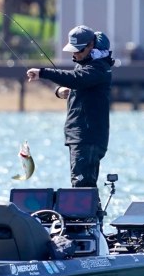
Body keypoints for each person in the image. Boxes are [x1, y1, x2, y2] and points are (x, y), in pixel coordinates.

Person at [26, 25, 112, 188]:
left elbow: (76, 79)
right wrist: (59, 91)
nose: (75, 54)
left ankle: (88, 206)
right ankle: (91, 205)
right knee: (82, 185)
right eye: (73, 50)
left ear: (91, 45)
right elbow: (75, 83)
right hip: (78, 137)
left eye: (78, 50)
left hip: (88, 137)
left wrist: (43, 72)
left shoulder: (99, 67)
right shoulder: (84, 64)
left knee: (82, 185)